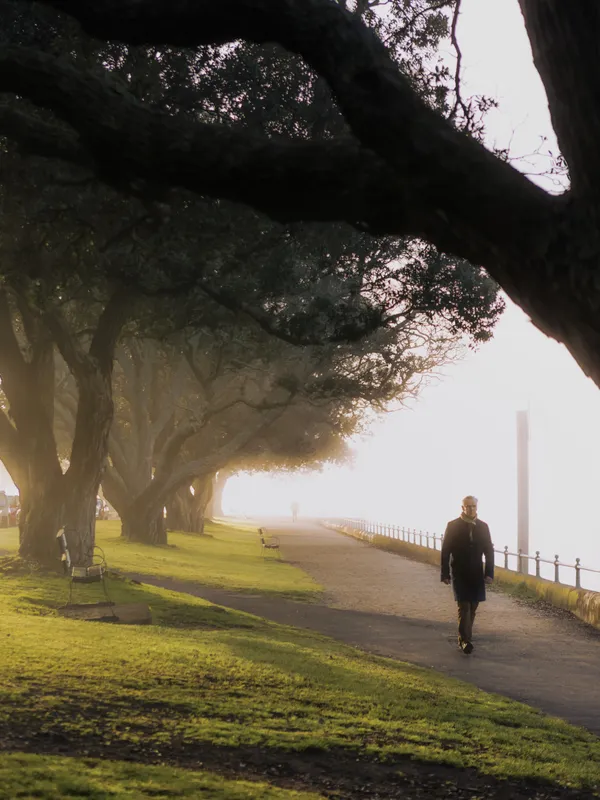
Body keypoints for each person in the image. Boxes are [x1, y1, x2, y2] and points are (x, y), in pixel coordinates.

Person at [441, 495, 494, 655]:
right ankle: (465, 641)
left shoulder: (483, 527)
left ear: (476, 507)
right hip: (459, 572)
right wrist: (445, 573)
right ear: (462, 508)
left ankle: (465, 637)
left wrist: (489, 573)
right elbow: (445, 551)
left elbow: (489, 551)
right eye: (468, 506)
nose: (471, 509)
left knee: (473, 607)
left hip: (476, 573)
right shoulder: (453, 526)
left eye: (473, 506)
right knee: (464, 606)